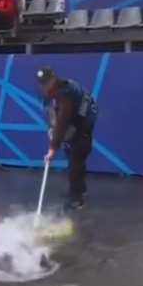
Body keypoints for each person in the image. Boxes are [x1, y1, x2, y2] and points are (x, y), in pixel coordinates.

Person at [37, 67, 98, 210]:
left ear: (53, 78)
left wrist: (52, 148)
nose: (44, 86)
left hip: (84, 117)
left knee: (76, 155)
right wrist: (52, 129)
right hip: (69, 115)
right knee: (67, 146)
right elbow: (53, 115)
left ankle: (77, 196)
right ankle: (76, 187)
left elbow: (63, 121)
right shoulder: (46, 94)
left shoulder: (66, 95)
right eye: (41, 84)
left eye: (47, 82)